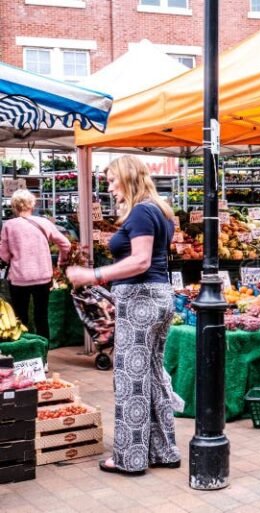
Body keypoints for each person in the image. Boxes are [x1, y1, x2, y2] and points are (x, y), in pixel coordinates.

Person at [67, 155, 180, 475]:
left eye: (113, 180)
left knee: (130, 379)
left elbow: (141, 261)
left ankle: (129, 458)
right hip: (158, 297)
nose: (110, 187)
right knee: (154, 375)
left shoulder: (143, 212)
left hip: (140, 300)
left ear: (129, 179)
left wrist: (94, 275)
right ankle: (164, 449)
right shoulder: (159, 210)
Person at [0, 189, 71, 340]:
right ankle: (44, 353)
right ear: (32, 205)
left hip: (19, 278)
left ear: (14, 206)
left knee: (20, 317)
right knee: (41, 316)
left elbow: (4, 255)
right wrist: (61, 260)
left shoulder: (9, 226)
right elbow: (65, 244)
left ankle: (26, 354)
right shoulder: (44, 222)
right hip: (43, 277)